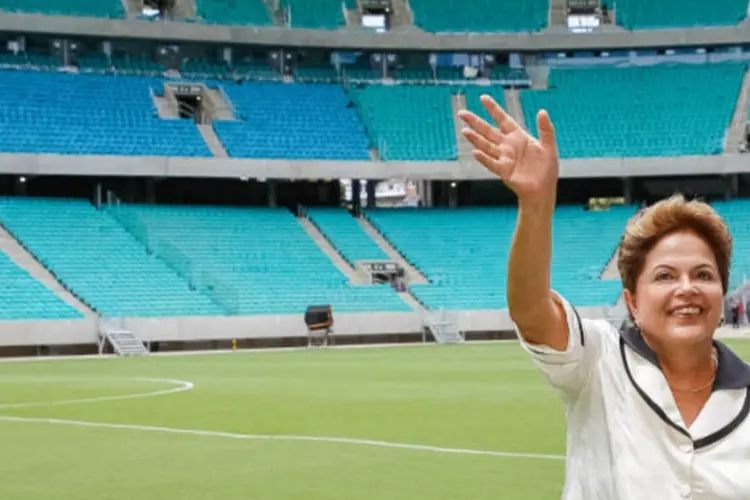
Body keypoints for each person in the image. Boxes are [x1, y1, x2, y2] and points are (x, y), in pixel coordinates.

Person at [458, 96, 750, 499]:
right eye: (665, 276)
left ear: (721, 291)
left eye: (704, 274)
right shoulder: (598, 360)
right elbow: (530, 310)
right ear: (632, 301)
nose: (687, 288)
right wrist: (536, 204)